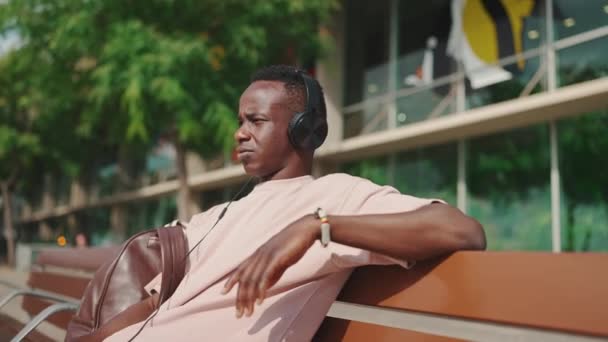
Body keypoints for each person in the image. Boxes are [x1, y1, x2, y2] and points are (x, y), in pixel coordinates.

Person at [103, 65, 485, 341]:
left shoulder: (335, 195)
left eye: (256, 121)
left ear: (303, 130)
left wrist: (316, 226)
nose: (239, 134)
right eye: (240, 121)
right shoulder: (219, 215)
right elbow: (154, 307)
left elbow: (463, 231)